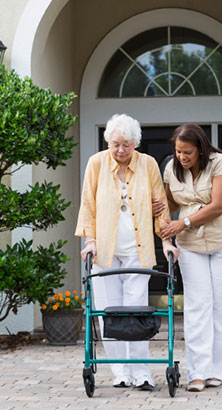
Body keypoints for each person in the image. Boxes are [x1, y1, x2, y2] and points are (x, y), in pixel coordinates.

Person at [75, 113, 178, 391]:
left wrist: (167, 241)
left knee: (136, 314)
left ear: (136, 144)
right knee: (111, 313)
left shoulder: (148, 164)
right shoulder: (96, 163)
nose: (121, 150)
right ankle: (120, 372)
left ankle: (142, 373)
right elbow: (88, 205)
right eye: (115, 144)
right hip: (105, 252)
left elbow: (161, 207)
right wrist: (90, 240)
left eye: (127, 145)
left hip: (137, 250)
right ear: (108, 141)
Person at [159, 123, 222, 392]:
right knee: (197, 307)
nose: (182, 157)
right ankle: (197, 373)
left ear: (201, 149)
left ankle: (218, 371)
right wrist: (161, 205)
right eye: (178, 152)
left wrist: (182, 222)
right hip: (191, 245)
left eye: (187, 152)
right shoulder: (171, 168)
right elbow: (172, 202)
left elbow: (218, 206)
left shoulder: (220, 163)